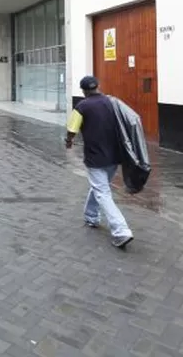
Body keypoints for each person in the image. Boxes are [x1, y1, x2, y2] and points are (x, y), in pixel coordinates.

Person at [65, 75, 134, 248]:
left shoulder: (81, 106)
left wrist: (69, 141)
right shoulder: (112, 103)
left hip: (95, 156)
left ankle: (121, 231)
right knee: (99, 186)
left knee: (102, 191)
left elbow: (71, 129)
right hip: (115, 156)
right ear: (98, 86)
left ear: (83, 90)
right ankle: (91, 217)